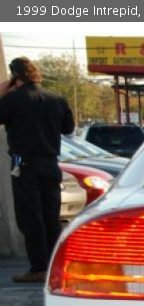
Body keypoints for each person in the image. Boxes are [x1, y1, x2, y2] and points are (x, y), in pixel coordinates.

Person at [0, 57, 75, 283]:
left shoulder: (12, 99)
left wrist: (3, 91)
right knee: (51, 216)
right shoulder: (56, 98)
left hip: (24, 166)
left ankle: (38, 267)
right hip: (51, 164)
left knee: (30, 218)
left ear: (15, 77)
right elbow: (68, 128)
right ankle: (54, 265)